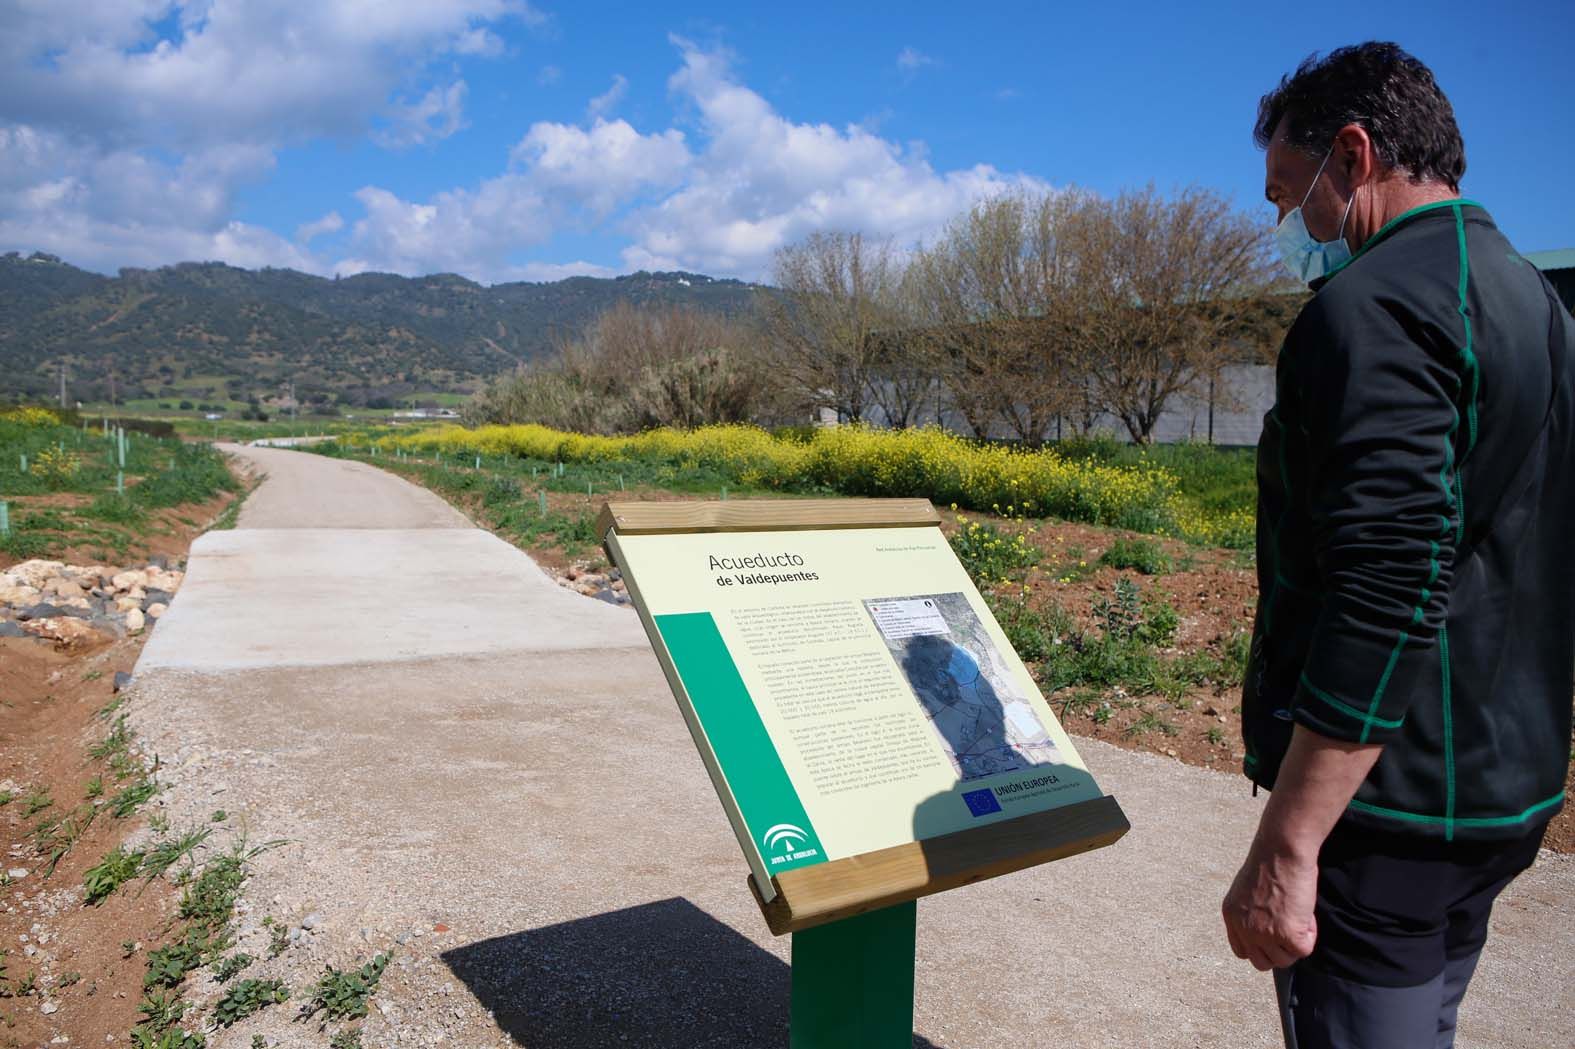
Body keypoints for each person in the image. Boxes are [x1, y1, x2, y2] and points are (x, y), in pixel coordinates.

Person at [1221, 41, 1575, 1048]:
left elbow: (1386, 584)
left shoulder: (1372, 305)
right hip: (1506, 783)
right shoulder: (1534, 301)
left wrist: (1291, 843)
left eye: (1290, 194)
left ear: (1354, 152)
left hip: (1394, 805)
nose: (1289, 226)